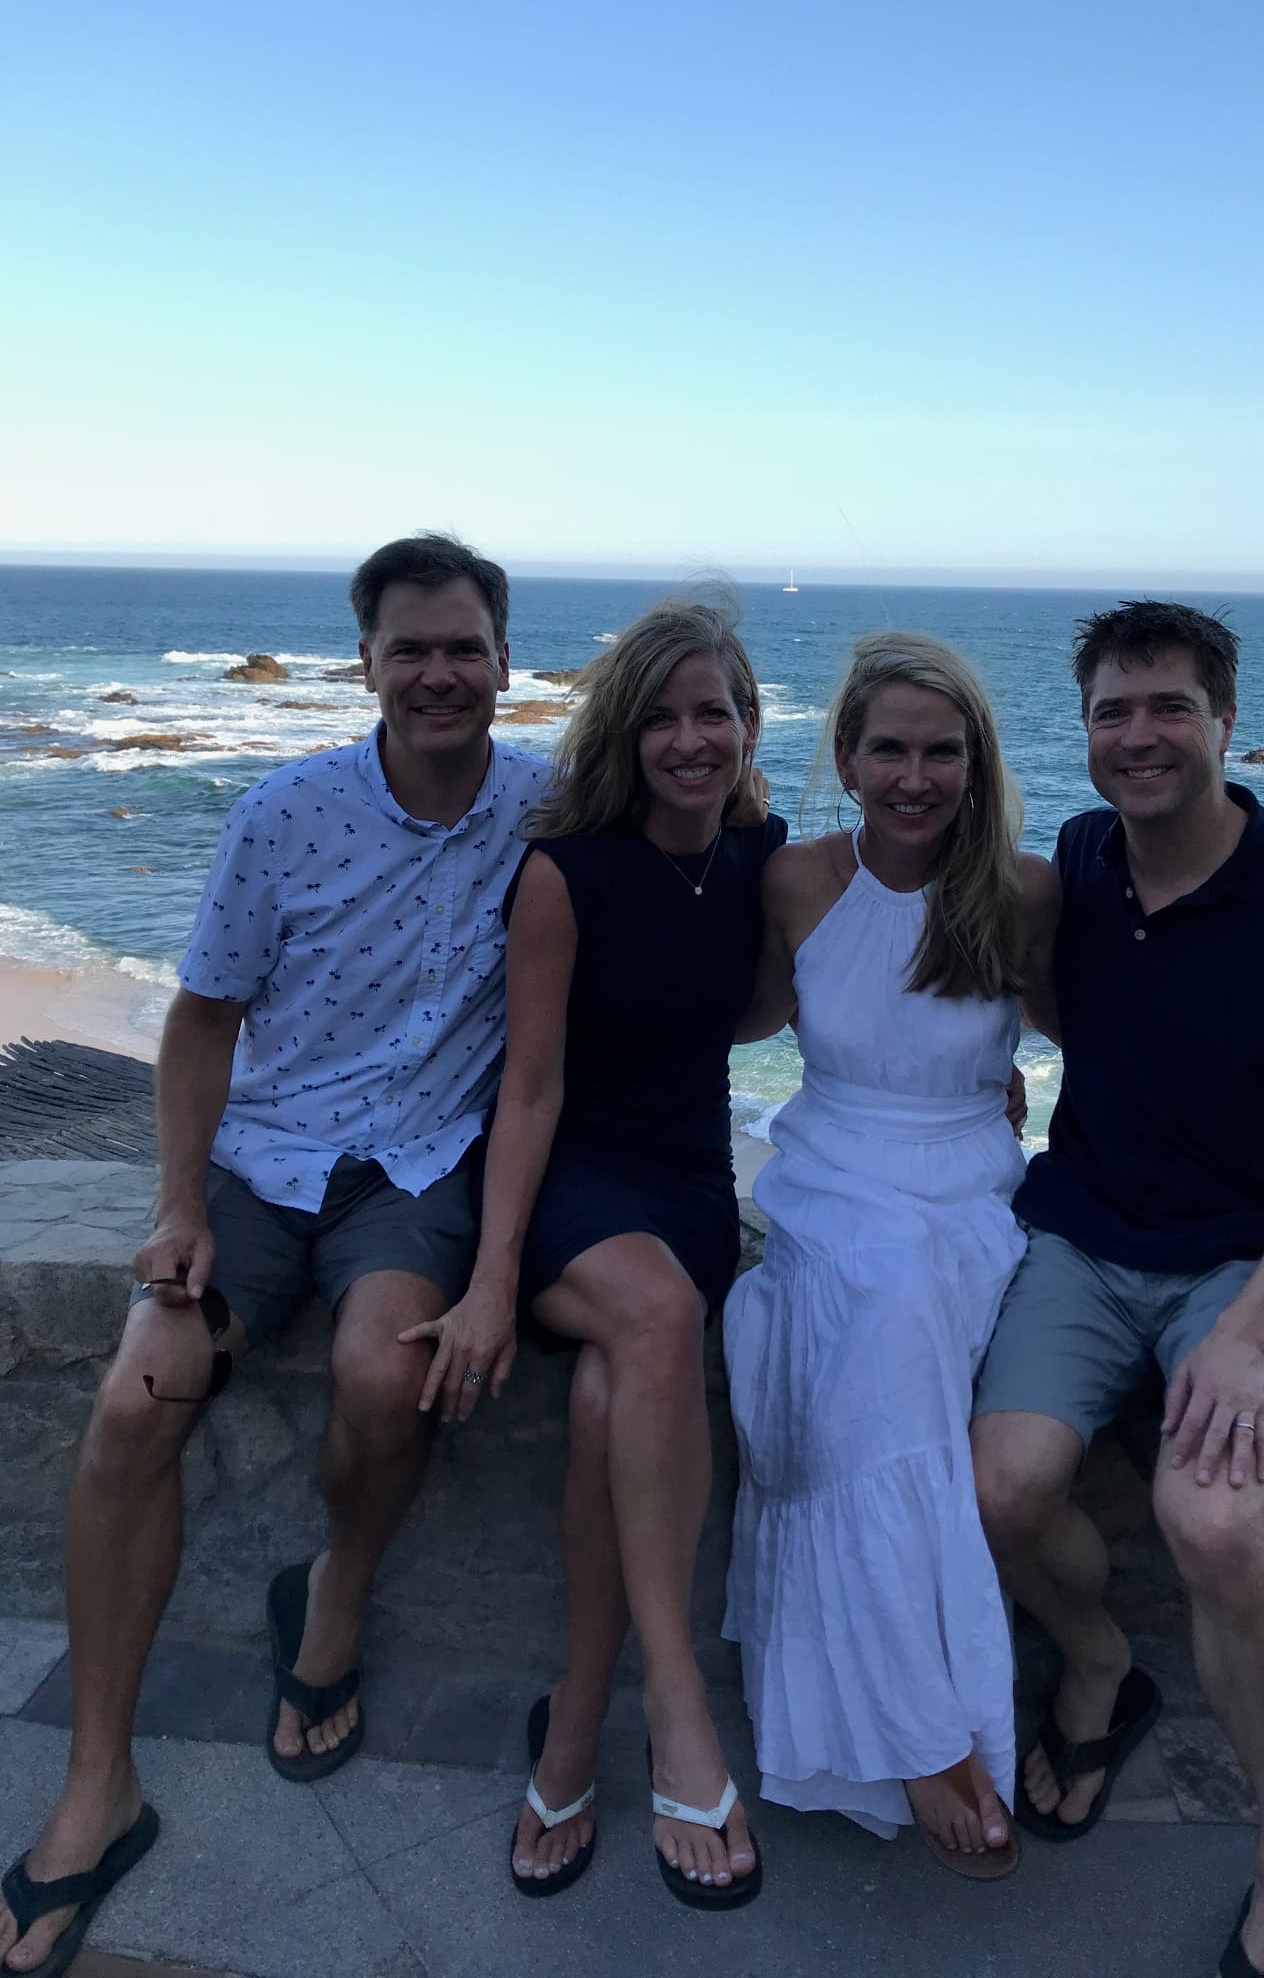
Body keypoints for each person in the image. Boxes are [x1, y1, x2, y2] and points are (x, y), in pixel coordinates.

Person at [0, 533, 548, 1978]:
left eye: (465, 648)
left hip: (417, 1170)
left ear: (506, 660)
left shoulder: (552, 813)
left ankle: (339, 1590)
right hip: (261, 1159)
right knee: (137, 1400)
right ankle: (95, 1783)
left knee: (386, 1375)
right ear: (362, 664)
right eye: (410, 649)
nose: (440, 673)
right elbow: (201, 1019)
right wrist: (177, 1202)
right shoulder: (283, 815)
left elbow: (705, 852)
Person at [971, 601, 1264, 1977]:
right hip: (1086, 1235)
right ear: (1085, 729)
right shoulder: (1087, 859)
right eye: (1113, 712)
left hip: (1237, 1258)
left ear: (1225, 721)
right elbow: (1050, 1004)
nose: (1139, 736)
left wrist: (1248, 1323)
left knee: (1212, 1528)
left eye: (1168, 709)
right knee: (1001, 1489)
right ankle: (1099, 1660)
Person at [429, 593, 782, 1910]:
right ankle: (677, 1709)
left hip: (689, 1178)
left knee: (602, 1401)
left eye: (717, 712)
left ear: (750, 726)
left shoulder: (762, 857)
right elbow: (526, 1094)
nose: (692, 739)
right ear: (625, 734)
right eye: (664, 717)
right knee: (649, 1320)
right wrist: (485, 1281)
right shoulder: (564, 873)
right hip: (566, 1182)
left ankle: (576, 1717)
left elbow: (776, 1003)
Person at [721, 633, 1059, 1876]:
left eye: (942, 750)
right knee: (882, 1304)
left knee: (904, 1307)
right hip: (827, 1172)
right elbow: (744, 1009)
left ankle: (925, 1718)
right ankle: (931, 1732)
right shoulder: (798, 879)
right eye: (890, 749)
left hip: (968, 1178)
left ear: (975, 762)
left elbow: (1109, 1034)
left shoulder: (1021, 891)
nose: (915, 776)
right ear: (848, 757)